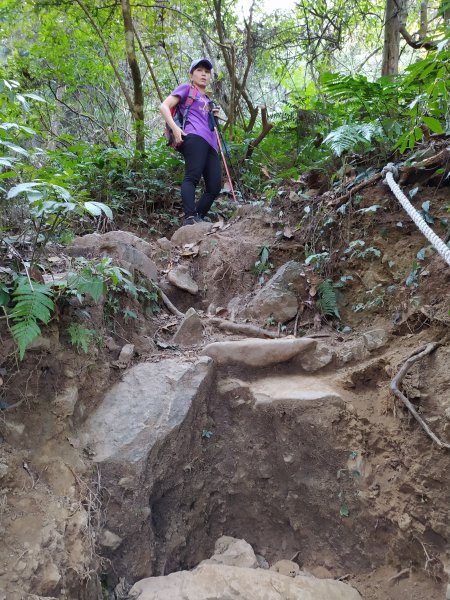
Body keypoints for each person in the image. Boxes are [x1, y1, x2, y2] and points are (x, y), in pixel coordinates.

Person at [160, 58, 221, 226]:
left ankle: (198, 216)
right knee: (192, 177)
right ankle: (189, 217)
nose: (204, 74)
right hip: (194, 137)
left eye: (207, 72)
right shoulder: (187, 89)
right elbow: (164, 106)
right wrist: (175, 128)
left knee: (214, 187)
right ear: (191, 74)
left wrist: (214, 118)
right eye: (199, 70)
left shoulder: (208, 100)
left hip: (211, 144)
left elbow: (210, 125)